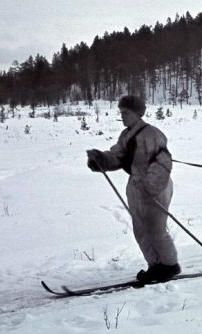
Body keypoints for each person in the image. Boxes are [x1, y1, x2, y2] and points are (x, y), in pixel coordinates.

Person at [86, 95, 180, 283]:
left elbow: (162, 162)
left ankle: (169, 265)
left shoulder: (152, 134)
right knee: (141, 230)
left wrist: (151, 186)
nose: (123, 116)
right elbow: (117, 156)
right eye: (121, 113)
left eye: (126, 113)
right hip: (136, 187)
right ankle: (155, 266)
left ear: (138, 113)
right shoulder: (126, 135)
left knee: (155, 229)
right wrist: (101, 160)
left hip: (156, 186)